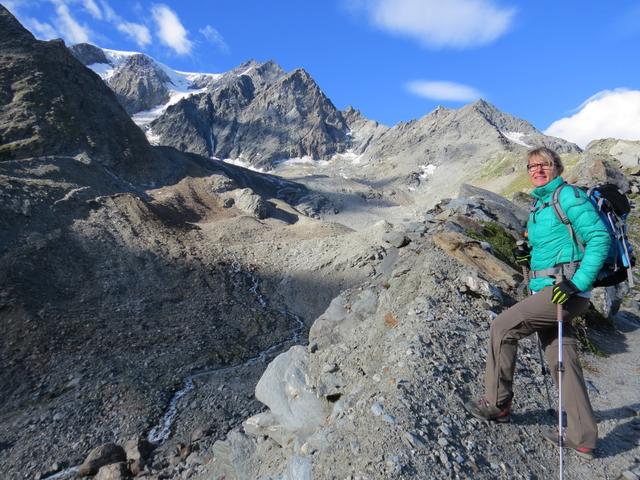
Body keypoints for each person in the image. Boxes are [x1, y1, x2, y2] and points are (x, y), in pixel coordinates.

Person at [464, 146, 611, 460]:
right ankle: (583, 436)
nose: (537, 170)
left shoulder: (568, 197)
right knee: (563, 359)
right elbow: (555, 248)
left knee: (502, 327)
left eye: (543, 164)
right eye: (532, 166)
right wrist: (527, 257)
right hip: (549, 290)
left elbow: (599, 237)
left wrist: (578, 282)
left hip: (565, 292)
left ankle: (498, 404)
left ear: (556, 166)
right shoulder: (541, 205)